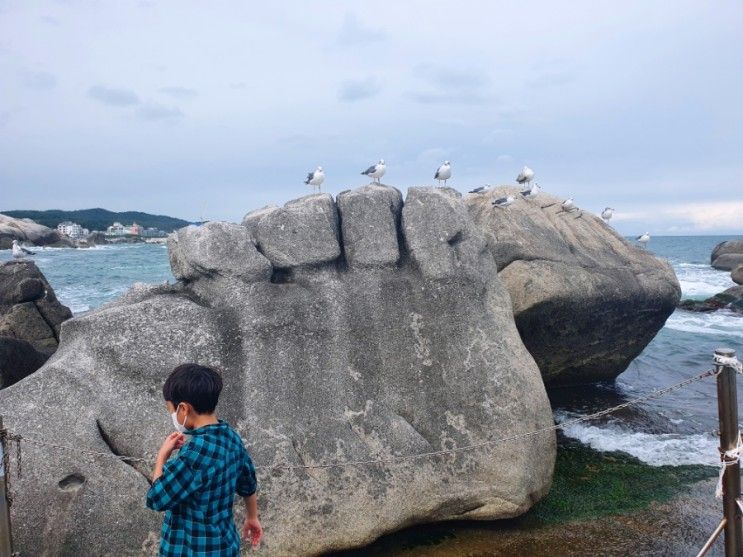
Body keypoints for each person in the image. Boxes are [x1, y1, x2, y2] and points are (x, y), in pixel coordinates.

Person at [146, 363, 263, 555]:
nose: (173, 416)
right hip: (225, 546)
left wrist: (162, 457)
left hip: (191, 549)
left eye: (172, 411)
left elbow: (157, 498)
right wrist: (252, 517)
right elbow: (248, 483)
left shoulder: (194, 453)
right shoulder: (231, 437)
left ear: (183, 408)